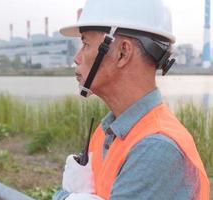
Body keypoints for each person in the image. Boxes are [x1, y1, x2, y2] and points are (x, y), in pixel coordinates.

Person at [53, 0, 210, 199]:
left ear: (122, 52)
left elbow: (62, 195)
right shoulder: (106, 131)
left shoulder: (156, 147)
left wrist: (67, 197)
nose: (77, 57)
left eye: (85, 44)